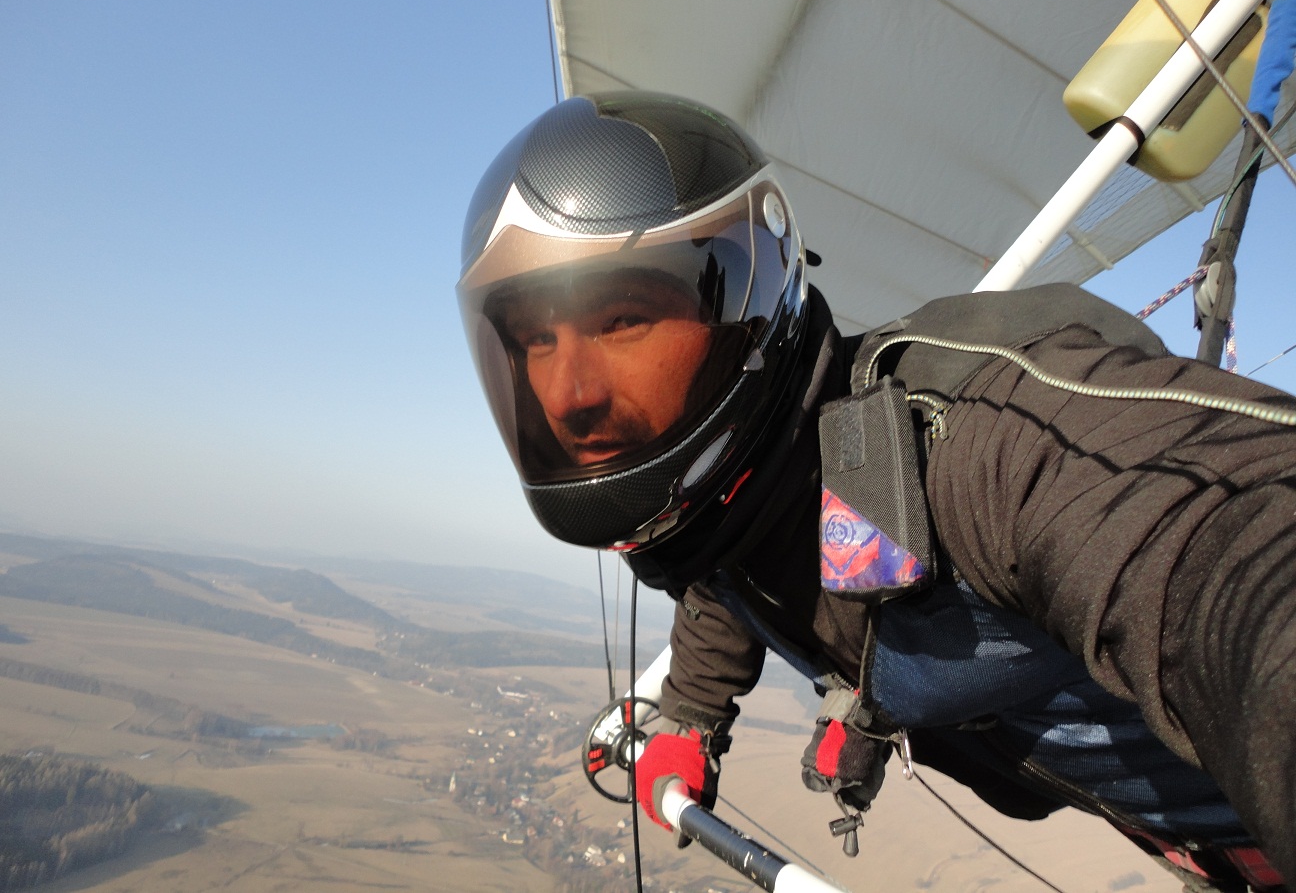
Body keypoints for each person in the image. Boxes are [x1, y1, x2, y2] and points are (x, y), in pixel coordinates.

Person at [456, 91, 1295, 891]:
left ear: (745, 306)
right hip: (1189, 846)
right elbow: (725, 574)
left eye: (620, 320)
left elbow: (1231, 548)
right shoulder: (735, 501)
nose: (566, 394)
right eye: (534, 341)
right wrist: (689, 715)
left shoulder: (973, 442)